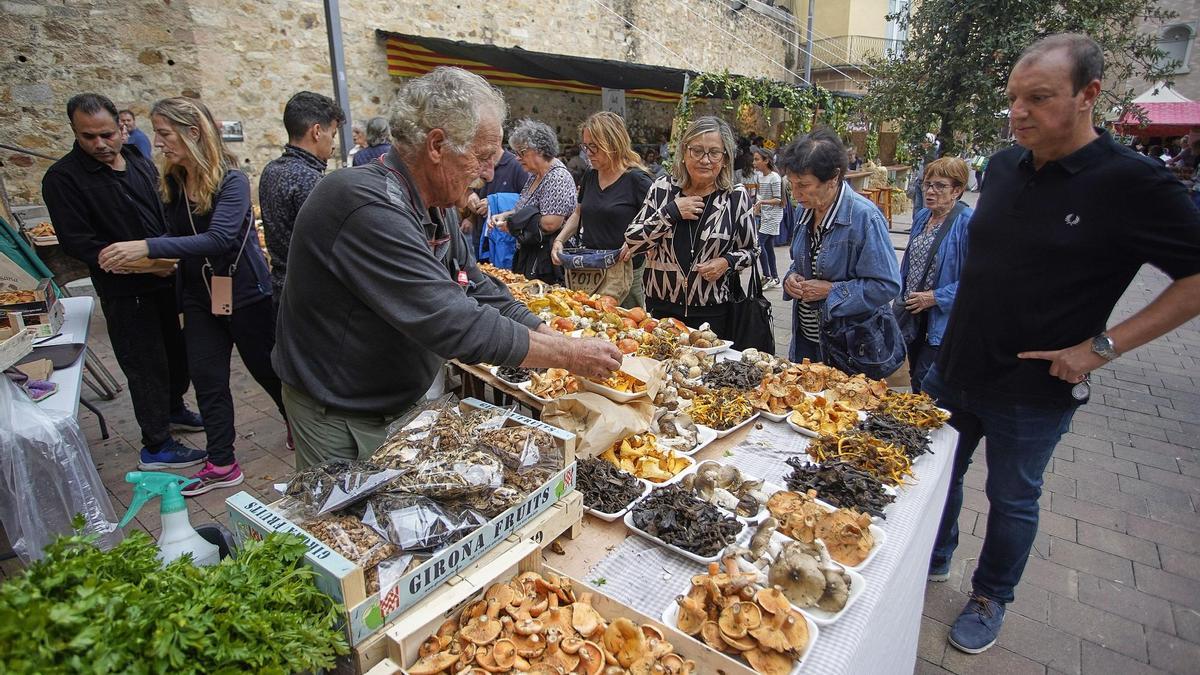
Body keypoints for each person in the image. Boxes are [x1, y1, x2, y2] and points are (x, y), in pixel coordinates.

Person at [922, 34, 1200, 655]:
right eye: (1014, 98)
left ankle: (992, 594)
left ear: (1088, 96)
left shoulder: (1134, 183)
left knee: (1013, 497)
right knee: (937, 477)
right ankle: (932, 559)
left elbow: (1195, 279)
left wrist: (1102, 347)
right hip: (954, 367)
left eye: (1039, 97)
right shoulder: (1000, 165)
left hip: (1033, 389)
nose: (1019, 112)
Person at [271, 66, 622, 467]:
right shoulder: (364, 204)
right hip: (339, 412)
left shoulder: (437, 205)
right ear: (436, 145)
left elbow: (475, 286)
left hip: (396, 399)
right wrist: (568, 355)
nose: (490, 172)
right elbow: (453, 321)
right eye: (484, 157)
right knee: (346, 520)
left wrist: (546, 332)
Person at [99, 97, 287, 496]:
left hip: (243, 292)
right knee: (206, 378)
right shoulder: (171, 182)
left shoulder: (232, 180)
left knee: (269, 371)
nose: (158, 142)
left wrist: (146, 247)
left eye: (164, 133)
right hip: (200, 297)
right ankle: (222, 462)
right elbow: (175, 239)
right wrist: (139, 256)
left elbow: (219, 238)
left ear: (193, 133)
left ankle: (299, 425)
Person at [42, 93, 204, 470]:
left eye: (107, 134)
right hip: (126, 290)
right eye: (88, 137)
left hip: (167, 280)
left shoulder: (136, 160)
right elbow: (80, 244)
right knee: (145, 364)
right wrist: (147, 265)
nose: (100, 144)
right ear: (75, 133)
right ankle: (157, 444)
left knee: (176, 356)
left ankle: (174, 408)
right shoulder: (64, 179)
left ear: (122, 128)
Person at [780, 128, 903, 377]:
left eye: (804, 185)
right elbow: (802, 262)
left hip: (850, 350)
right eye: (791, 185)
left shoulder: (864, 217)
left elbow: (887, 285)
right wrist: (791, 279)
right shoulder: (807, 209)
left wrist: (831, 291)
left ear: (834, 178)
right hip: (808, 342)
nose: (796, 194)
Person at [624, 116, 757, 336]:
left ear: (725, 159)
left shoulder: (735, 198)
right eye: (697, 151)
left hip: (713, 313)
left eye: (714, 153)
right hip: (662, 309)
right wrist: (670, 213)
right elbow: (633, 240)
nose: (705, 160)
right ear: (684, 154)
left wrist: (727, 262)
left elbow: (752, 250)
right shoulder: (662, 189)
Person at [550, 112, 653, 307]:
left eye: (594, 147)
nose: (588, 152)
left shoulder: (637, 180)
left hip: (624, 272)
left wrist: (636, 243)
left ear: (613, 144)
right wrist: (559, 240)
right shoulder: (590, 175)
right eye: (586, 146)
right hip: (591, 270)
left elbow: (656, 224)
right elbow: (578, 212)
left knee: (626, 327)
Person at [894, 157, 972, 392]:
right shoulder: (922, 217)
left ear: (957, 190)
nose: (930, 191)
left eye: (940, 186)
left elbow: (978, 281)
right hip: (913, 316)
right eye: (927, 185)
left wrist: (936, 297)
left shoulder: (967, 223)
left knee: (927, 382)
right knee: (914, 375)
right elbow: (908, 264)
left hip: (941, 320)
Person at [258, 91, 344, 303]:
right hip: (311, 296)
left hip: (281, 287)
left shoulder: (271, 170)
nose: (333, 145)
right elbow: (330, 248)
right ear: (316, 132)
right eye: (332, 135)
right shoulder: (311, 180)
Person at [492, 119, 578, 284]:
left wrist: (513, 224)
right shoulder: (534, 176)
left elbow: (550, 224)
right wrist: (507, 216)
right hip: (532, 259)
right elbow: (526, 210)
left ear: (539, 150)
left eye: (521, 152)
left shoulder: (556, 177)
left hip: (547, 265)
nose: (517, 158)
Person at [751, 147, 783, 289]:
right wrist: (757, 205)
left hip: (773, 216)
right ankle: (775, 277)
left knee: (758, 244)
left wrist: (762, 202)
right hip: (765, 215)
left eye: (757, 159)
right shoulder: (760, 176)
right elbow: (761, 196)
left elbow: (778, 199)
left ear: (766, 161)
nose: (754, 162)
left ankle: (767, 276)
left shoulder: (774, 177)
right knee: (768, 247)